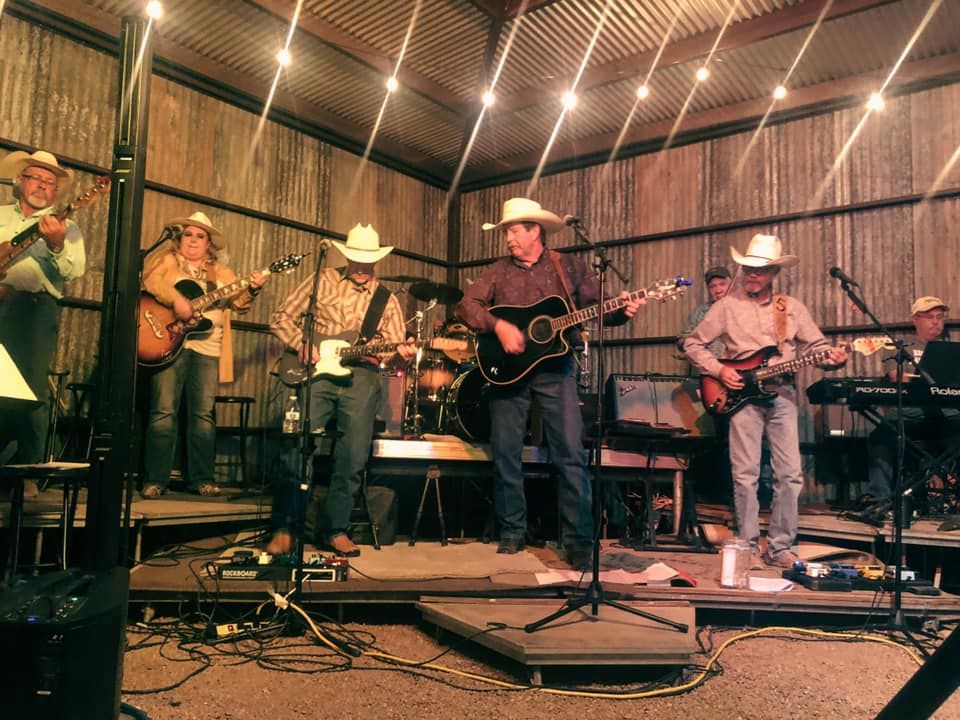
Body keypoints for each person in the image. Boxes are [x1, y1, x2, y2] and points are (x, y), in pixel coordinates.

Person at [457, 198, 643, 569]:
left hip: (556, 369)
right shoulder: (497, 271)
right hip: (507, 372)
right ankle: (512, 531)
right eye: (507, 231)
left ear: (534, 231)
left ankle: (577, 541)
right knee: (507, 453)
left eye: (513, 230)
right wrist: (500, 326)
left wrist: (622, 309)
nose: (508, 237)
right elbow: (467, 306)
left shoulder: (568, 266)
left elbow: (602, 309)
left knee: (570, 454)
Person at [683, 234, 847, 567]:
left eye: (759, 270)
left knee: (790, 475)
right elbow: (692, 344)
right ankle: (746, 546)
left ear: (773, 273)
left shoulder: (791, 307)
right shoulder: (725, 306)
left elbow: (815, 348)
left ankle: (779, 547)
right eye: (747, 269)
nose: (751, 275)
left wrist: (833, 357)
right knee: (745, 474)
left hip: (783, 395)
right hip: (741, 396)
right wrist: (719, 370)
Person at [266, 224, 414, 557]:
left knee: (352, 455)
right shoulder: (321, 280)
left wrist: (399, 353)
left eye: (368, 261)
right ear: (347, 257)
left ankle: (336, 529)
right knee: (298, 445)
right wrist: (301, 343)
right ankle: (285, 528)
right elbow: (280, 317)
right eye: (356, 260)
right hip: (316, 372)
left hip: (363, 375)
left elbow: (391, 348)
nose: (362, 267)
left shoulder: (386, 299)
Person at [141, 212, 265, 498]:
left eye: (200, 236)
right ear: (179, 238)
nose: (193, 240)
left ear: (209, 243)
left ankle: (201, 479)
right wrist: (177, 301)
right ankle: (155, 479)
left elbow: (240, 302)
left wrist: (254, 289)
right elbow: (150, 282)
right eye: (188, 234)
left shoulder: (221, 273)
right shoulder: (167, 260)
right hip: (167, 342)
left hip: (207, 347)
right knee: (163, 411)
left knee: (202, 415)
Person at [0, 150, 86, 495]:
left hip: (36, 310)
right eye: (36, 178)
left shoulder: (68, 226)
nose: (42, 186)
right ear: (20, 181)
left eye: (50, 183)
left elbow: (74, 271)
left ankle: (28, 473)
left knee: (33, 389)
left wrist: (56, 244)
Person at [861, 296, 960, 506]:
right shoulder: (898, 346)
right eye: (930, 317)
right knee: (882, 435)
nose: (936, 322)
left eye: (940, 317)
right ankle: (880, 498)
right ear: (915, 319)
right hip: (911, 413)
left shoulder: (951, 350)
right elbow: (896, 377)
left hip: (947, 414)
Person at [677, 265, 732, 364]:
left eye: (722, 284)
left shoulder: (744, 308)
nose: (718, 290)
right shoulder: (699, 312)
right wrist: (693, 343)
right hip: (708, 370)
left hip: (740, 369)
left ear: (732, 284)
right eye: (712, 286)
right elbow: (681, 341)